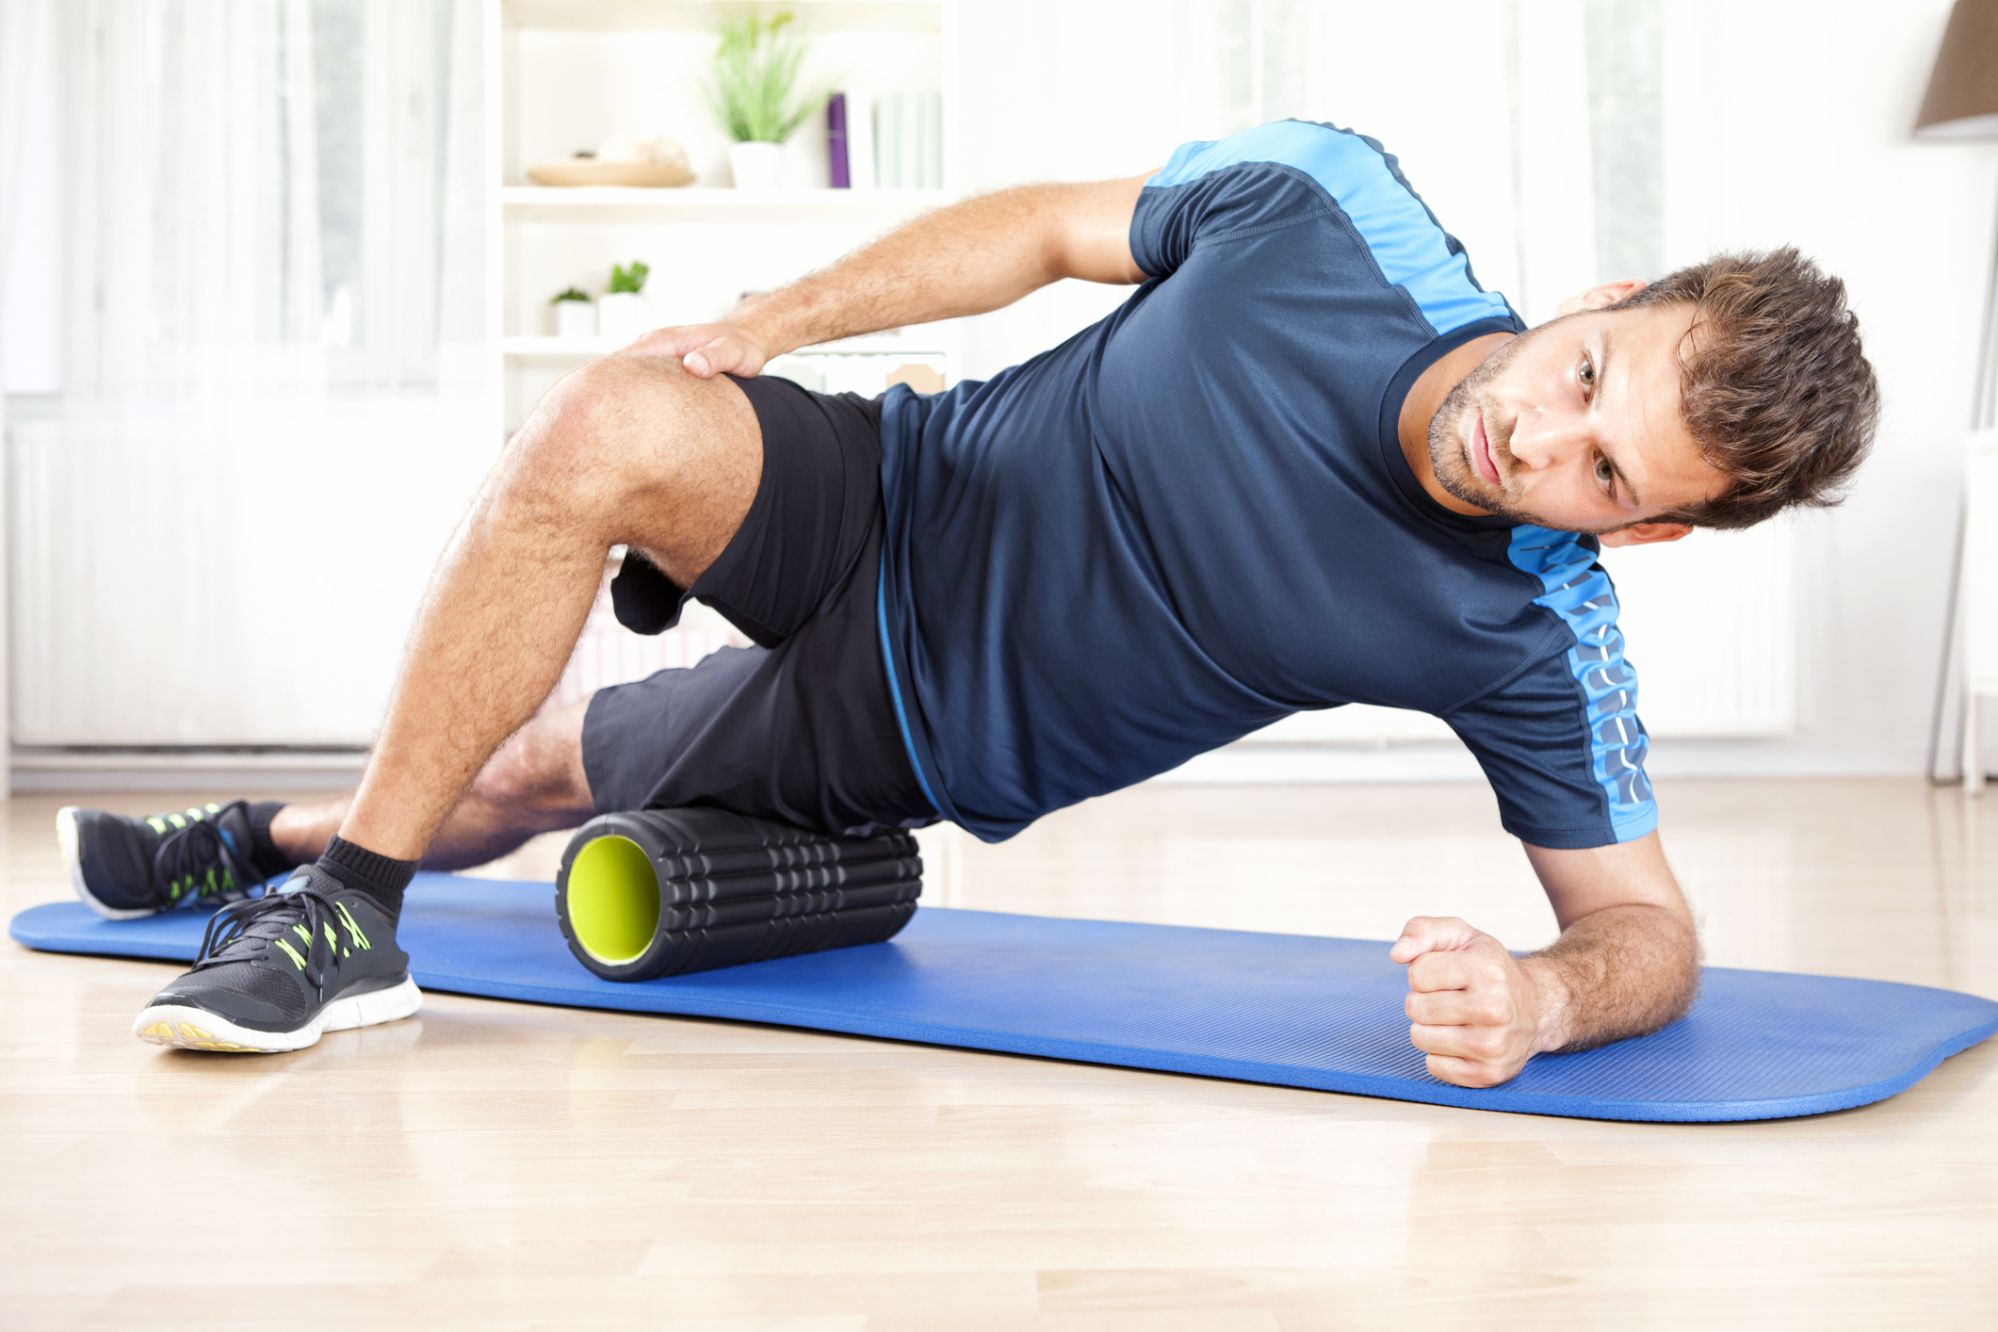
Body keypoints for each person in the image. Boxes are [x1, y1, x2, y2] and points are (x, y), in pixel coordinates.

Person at [62, 118, 1877, 1083]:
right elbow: (1035, 226)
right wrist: (768, 330)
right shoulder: (1333, 214)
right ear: (1606, 294)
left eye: (1605, 475)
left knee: (550, 774)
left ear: (1640, 536)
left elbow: (1648, 928)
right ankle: (343, 920)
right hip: (891, 485)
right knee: (613, 416)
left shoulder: (1530, 628)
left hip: (915, 724)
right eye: (1584, 378)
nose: (1535, 444)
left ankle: (254, 838)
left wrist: (1548, 1003)